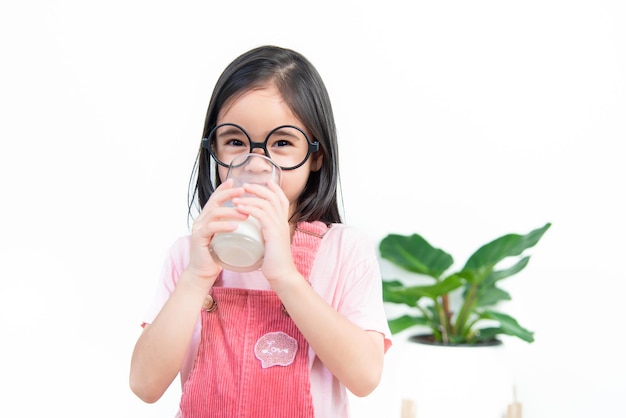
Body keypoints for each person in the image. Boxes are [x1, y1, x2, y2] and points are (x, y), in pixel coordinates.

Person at [129, 45, 392, 418]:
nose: (256, 164)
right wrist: (196, 278)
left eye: (282, 144)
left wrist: (285, 276)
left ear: (316, 155)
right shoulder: (189, 256)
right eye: (235, 142)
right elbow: (144, 385)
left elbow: (365, 376)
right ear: (213, 149)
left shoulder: (345, 250)